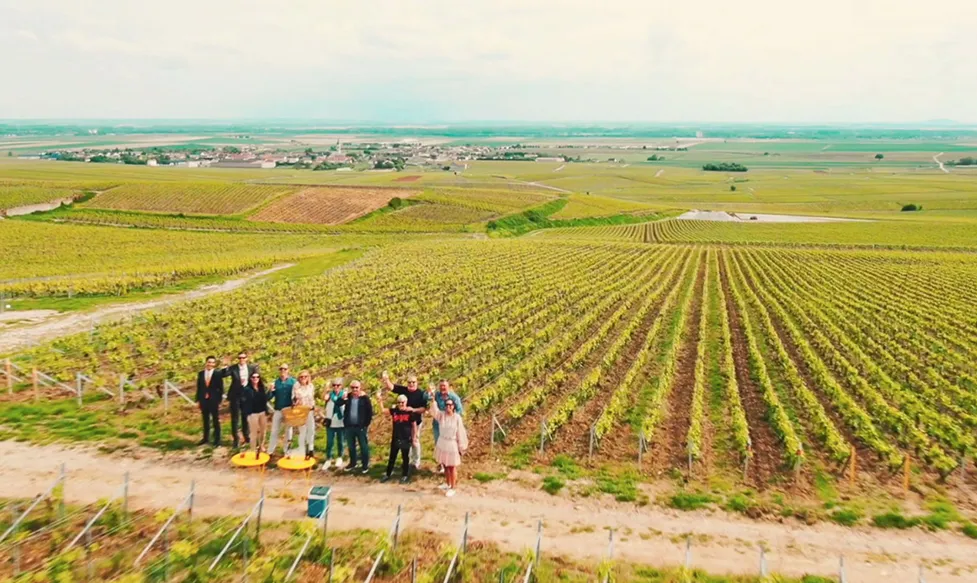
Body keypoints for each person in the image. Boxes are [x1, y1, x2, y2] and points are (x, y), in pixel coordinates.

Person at [380, 371, 429, 470]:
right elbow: (392, 387)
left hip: (416, 421)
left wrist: (413, 409)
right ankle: (408, 461)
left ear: (417, 383)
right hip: (404, 423)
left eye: (413, 382)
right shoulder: (404, 390)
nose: (411, 384)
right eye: (409, 382)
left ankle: (416, 462)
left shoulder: (421, 393)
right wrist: (386, 380)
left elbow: (424, 409)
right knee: (407, 442)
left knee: (415, 441)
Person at [428, 397, 468, 497]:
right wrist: (433, 400)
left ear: (454, 406)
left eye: (450, 405)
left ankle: (453, 487)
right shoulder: (442, 415)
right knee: (445, 465)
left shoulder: (457, 418)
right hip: (442, 442)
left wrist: (461, 446)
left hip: (452, 443)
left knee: (452, 466)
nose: (448, 407)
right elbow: (434, 412)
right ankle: (448, 483)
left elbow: (460, 432)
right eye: (447, 405)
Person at [223, 351, 258, 448]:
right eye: (240, 358)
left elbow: (257, 379)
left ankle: (246, 437)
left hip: (247, 395)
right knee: (235, 418)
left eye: (243, 358)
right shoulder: (233, 368)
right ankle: (236, 439)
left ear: (247, 358)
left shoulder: (252, 368)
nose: (241, 359)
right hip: (235, 395)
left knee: (245, 417)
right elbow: (224, 374)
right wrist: (225, 367)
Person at [382, 394, 417, 484]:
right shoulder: (395, 411)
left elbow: (414, 426)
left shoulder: (410, 413)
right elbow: (383, 411)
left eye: (402, 402)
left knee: (405, 458)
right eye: (399, 402)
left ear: (406, 402)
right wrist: (380, 401)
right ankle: (388, 474)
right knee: (392, 457)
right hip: (396, 437)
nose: (401, 404)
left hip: (406, 438)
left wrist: (414, 438)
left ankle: (405, 475)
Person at [431, 379, 464, 474]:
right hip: (438, 426)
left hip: (450, 428)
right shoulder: (436, 395)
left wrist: (450, 417)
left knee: (451, 447)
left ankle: (452, 466)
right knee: (439, 445)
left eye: (444, 386)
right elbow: (429, 399)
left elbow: (460, 410)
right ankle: (442, 465)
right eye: (441, 386)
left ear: (448, 386)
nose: (442, 388)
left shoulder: (454, 397)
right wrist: (429, 393)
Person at [342, 380, 373, 474]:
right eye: (353, 387)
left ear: (360, 388)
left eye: (356, 387)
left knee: (363, 446)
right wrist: (343, 398)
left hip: (361, 427)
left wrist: (365, 425)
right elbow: (338, 403)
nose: (355, 389)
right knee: (351, 446)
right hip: (349, 426)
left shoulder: (364, 398)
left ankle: (365, 465)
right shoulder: (348, 397)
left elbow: (370, 412)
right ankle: (353, 463)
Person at [195, 355, 226, 447]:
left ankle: (217, 440)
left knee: (215, 420)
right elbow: (199, 387)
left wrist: (219, 400)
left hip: (214, 400)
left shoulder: (217, 373)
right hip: (204, 400)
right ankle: (205, 438)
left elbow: (221, 388)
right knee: (205, 420)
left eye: (212, 362)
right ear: (206, 363)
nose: (210, 364)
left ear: (214, 364)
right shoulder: (201, 374)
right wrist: (198, 400)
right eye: (209, 362)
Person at [268, 364, 296, 456]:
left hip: (289, 410)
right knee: (274, 430)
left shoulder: (293, 382)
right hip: (278, 410)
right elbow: (269, 397)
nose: (283, 370)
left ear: (288, 370)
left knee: (288, 431)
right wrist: (270, 390)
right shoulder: (276, 382)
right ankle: (270, 451)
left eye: (285, 369)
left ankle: (287, 451)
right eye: (281, 369)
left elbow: (297, 395)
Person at [241, 372, 270, 458]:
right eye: (253, 377)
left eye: (257, 377)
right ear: (250, 378)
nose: (255, 378)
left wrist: (270, 391)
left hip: (262, 412)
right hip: (252, 413)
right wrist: (246, 412)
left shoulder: (262, 388)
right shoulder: (247, 389)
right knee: (253, 432)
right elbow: (243, 401)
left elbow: (266, 399)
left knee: (263, 431)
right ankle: (253, 449)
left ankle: (261, 446)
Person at [292, 370, 317, 460]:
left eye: (305, 376)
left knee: (311, 430)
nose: (303, 378)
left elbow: (312, 398)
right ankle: (302, 450)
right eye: (301, 377)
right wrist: (296, 402)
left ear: (308, 377)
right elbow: (294, 398)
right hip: (301, 411)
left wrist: (313, 405)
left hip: (309, 410)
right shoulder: (296, 386)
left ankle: (310, 449)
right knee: (302, 432)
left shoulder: (311, 386)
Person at [323, 378, 347, 470]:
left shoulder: (344, 395)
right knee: (329, 442)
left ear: (341, 386)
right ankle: (328, 458)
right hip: (331, 421)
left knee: (340, 441)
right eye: (334, 385)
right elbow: (324, 397)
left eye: (338, 385)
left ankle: (340, 457)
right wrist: (326, 388)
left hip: (341, 421)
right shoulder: (329, 395)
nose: (336, 387)